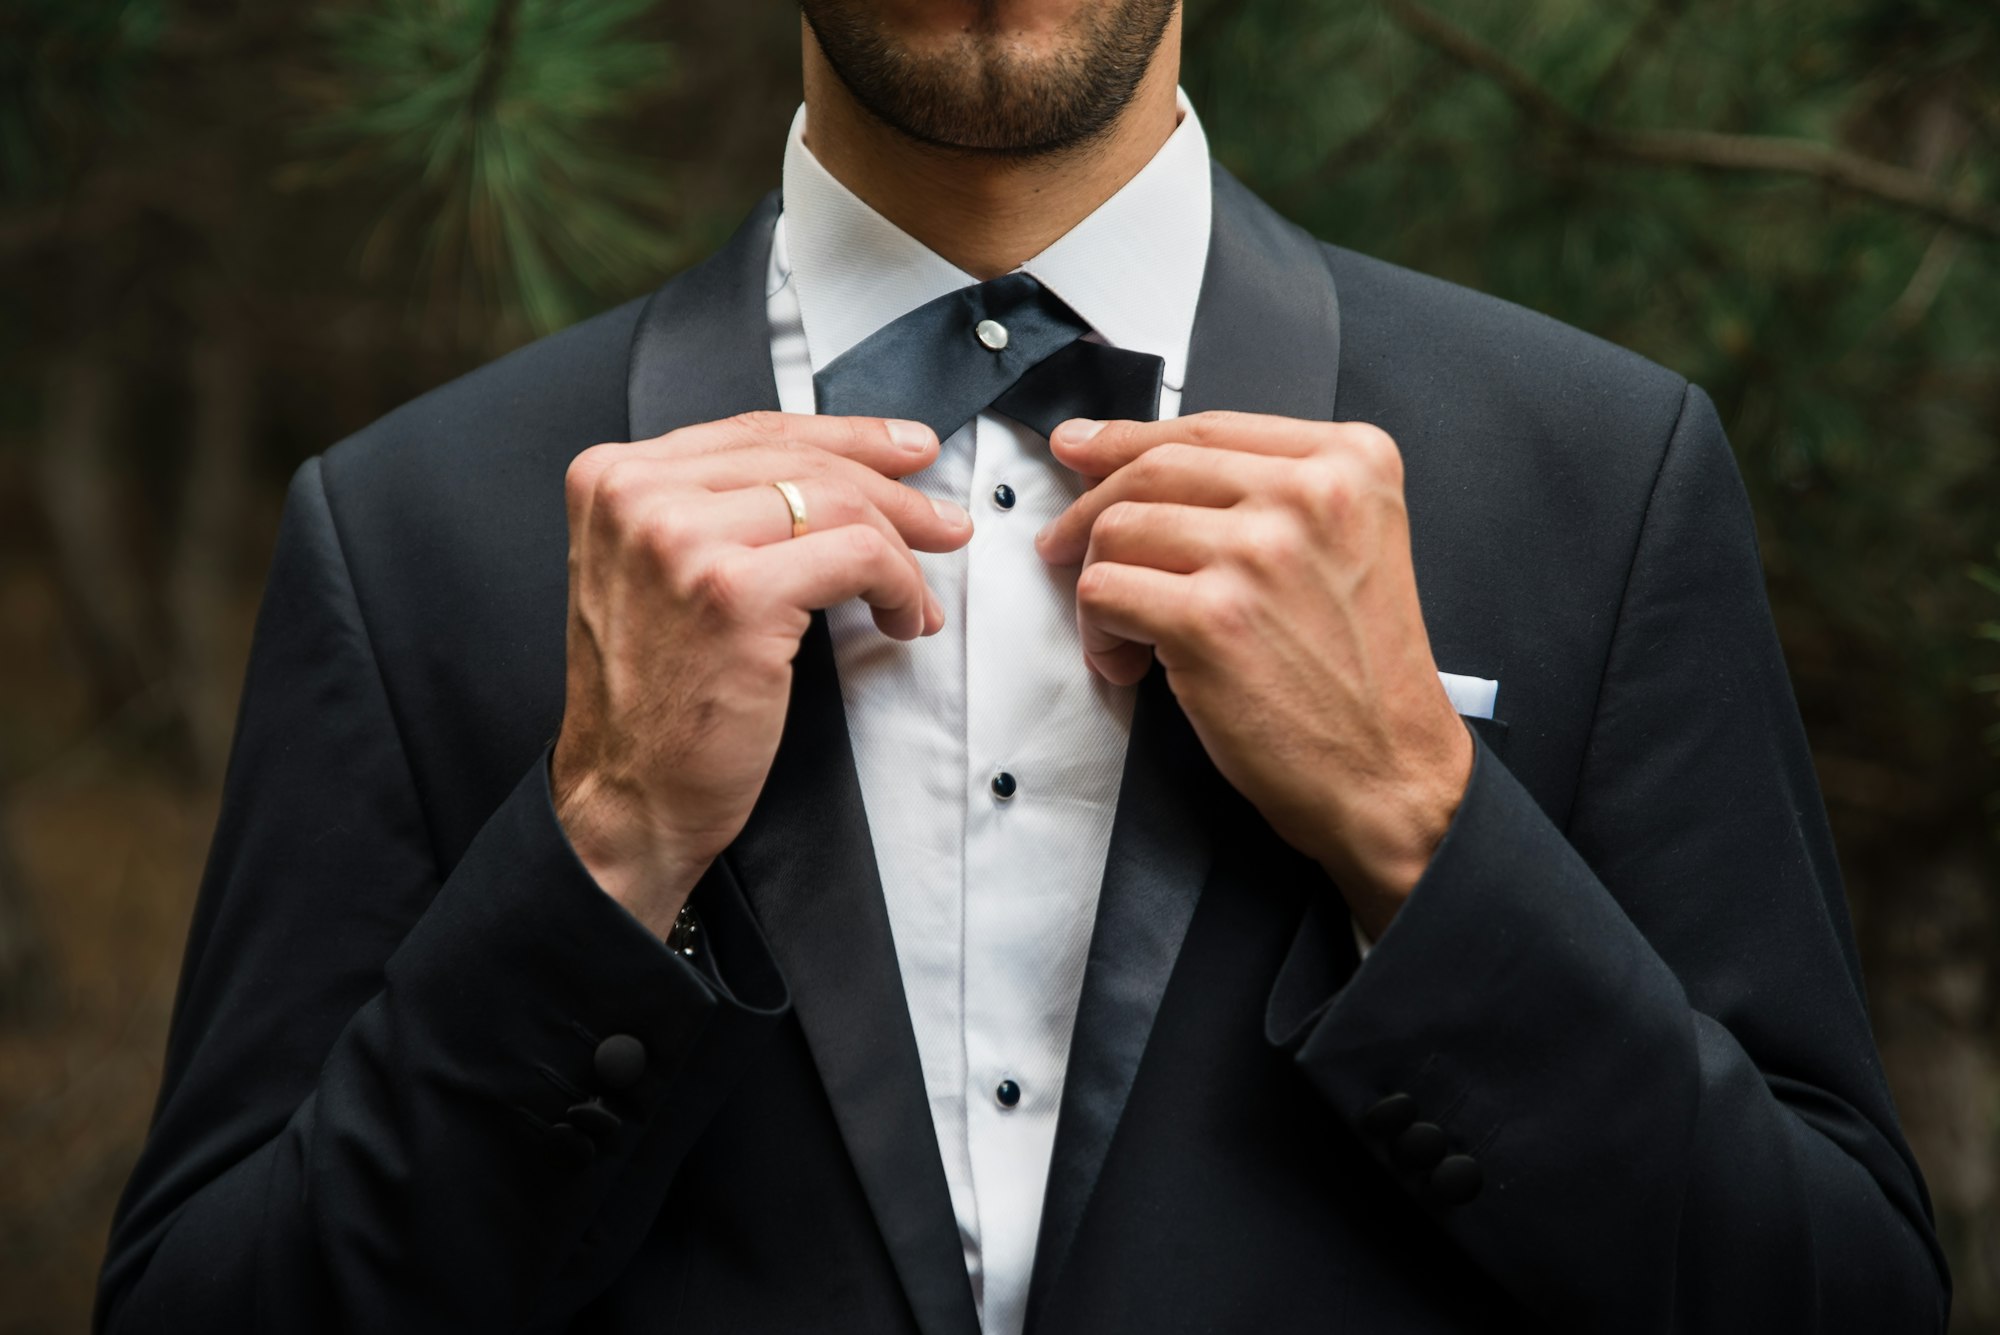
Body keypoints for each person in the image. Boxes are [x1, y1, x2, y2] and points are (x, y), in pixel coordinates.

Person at [96, 1, 1949, 1331]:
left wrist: (1417, 818)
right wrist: (604, 845)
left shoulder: (1602, 475)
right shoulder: (407, 521)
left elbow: (1839, 1286)